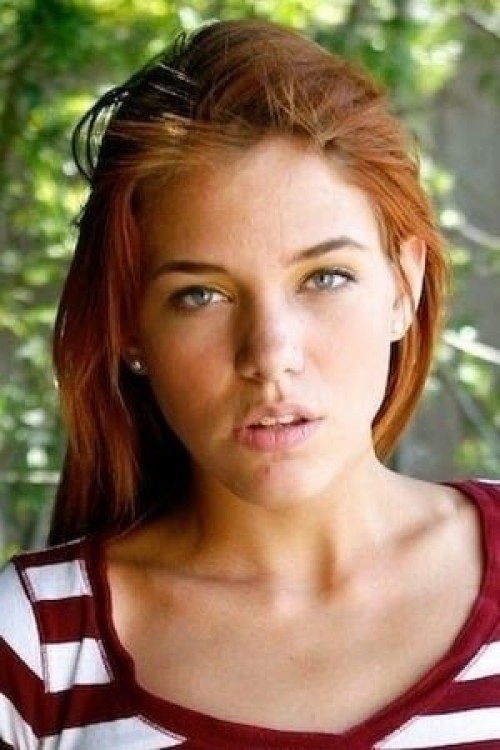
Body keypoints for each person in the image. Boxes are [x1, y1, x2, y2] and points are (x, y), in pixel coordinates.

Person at [1, 17, 499, 750]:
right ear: (131, 329)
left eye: (325, 277)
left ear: (404, 286)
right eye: (200, 294)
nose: (270, 354)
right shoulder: (30, 655)